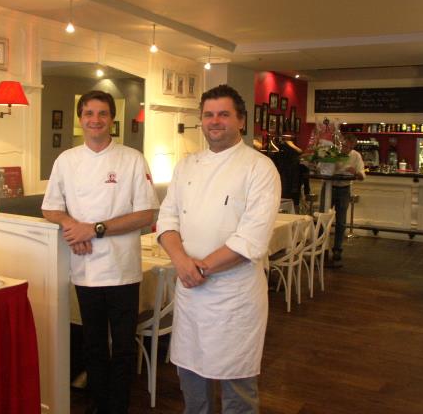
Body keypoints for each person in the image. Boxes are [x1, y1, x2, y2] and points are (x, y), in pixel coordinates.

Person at [157, 85, 281, 414]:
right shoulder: (186, 165)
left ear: (240, 120)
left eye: (224, 114)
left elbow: (251, 237)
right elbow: (166, 219)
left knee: (237, 386)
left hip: (234, 295)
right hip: (190, 291)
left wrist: (201, 268)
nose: (215, 121)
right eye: (209, 115)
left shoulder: (260, 168)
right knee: (190, 377)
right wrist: (182, 262)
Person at [42, 90, 159, 414]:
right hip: (84, 268)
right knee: (92, 344)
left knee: (122, 347)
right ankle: (98, 405)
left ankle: (117, 407)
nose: (95, 120)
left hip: (123, 270)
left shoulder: (132, 159)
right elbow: (50, 208)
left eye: (102, 114)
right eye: (89, 114)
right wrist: (71, 225)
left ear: (112, 120)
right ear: (80, 119)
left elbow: (146, 214)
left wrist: (93, 228)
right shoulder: (67, 160)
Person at [328, 133, 365, 267]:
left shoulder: (356, 156)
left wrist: (355, 172)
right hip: (329, 187)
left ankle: (337, 250)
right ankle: (321, 249)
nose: (346, 149)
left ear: (353, 146)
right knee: (322, 219)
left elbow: (362, 176)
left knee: (341, 222)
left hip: (344, 189)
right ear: (341, 143)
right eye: (344, 145)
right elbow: (322, 168)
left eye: (349, 147)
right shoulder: (332, 152)